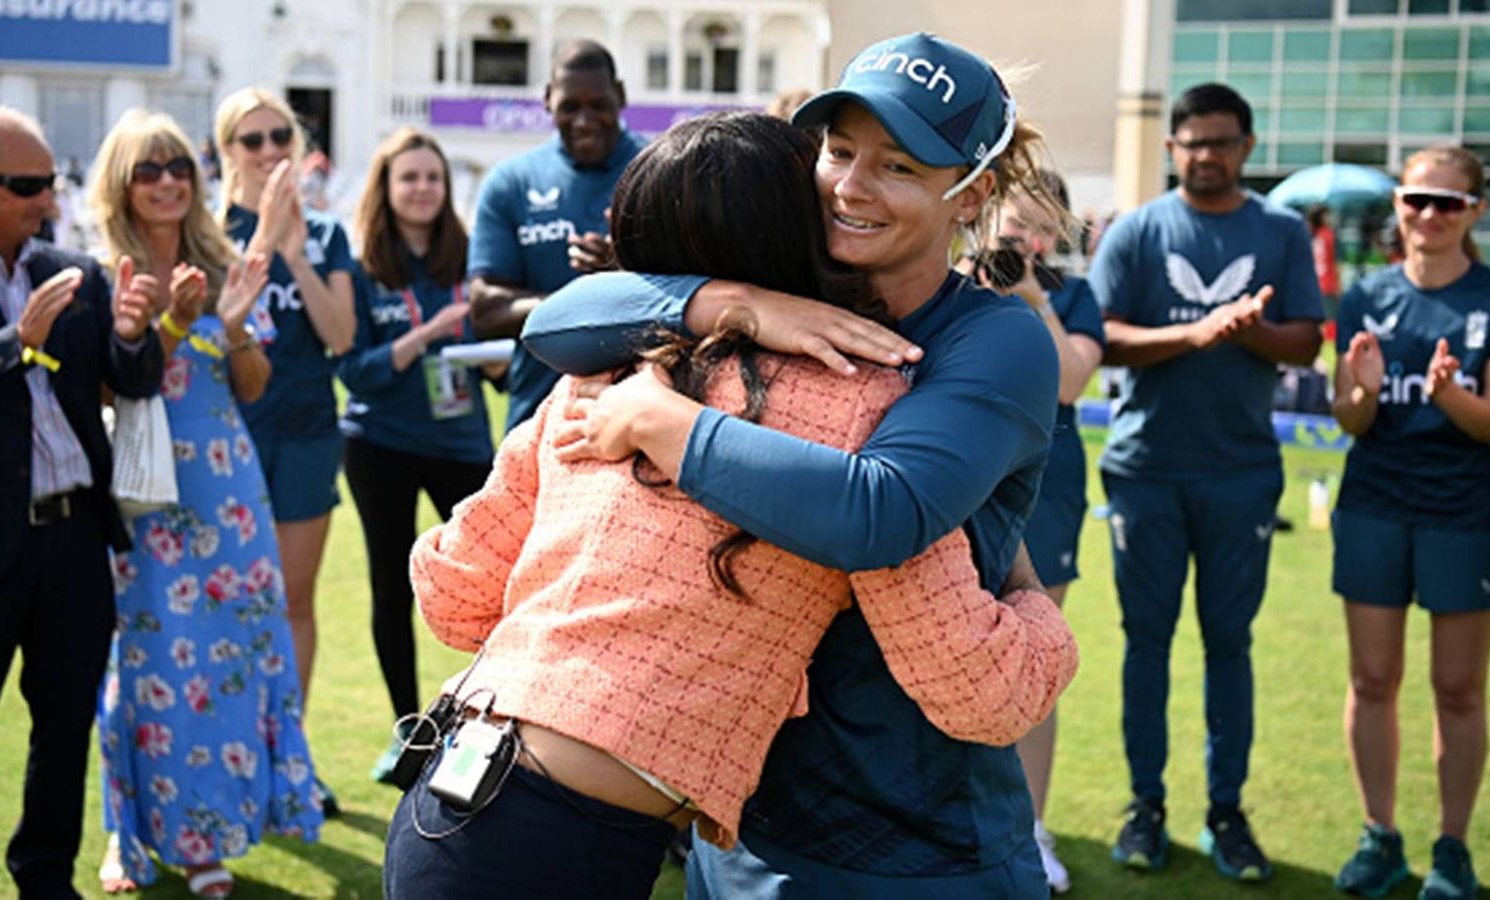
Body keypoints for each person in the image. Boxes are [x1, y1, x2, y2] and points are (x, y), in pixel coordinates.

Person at [388, 109, 1076, 900]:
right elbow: (979, 688)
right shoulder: (859, 410)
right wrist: (1028, 596)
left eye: (895, 166)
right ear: (801, 228)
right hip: (573, 842)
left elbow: (449, 592)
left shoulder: (596, 381)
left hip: (454, 788)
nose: (850, 187)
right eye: (839, 158)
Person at [1087, 82, 1323, 882]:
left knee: (1230, 644)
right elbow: (1103, 339)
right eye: (1195, 142)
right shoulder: (1138, 231)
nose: (1208, 155)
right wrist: (1195, 331)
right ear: (1172, 147)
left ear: (1248, 146)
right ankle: (1144, 808)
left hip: (1241, 475)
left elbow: (1305, 344)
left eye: (1223, 141)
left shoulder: (1281, 232)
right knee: (1145, 645)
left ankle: (1227, 812)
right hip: (1146, 472)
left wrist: (1248, 331)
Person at [86, 108, 324, 898]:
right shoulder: (101, 271)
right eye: (147, 170)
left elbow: (250, 385)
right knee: (147, 662)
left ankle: (206, 839)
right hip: (143, 494)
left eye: (178, 167)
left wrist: (231, 329)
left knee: (229, 664)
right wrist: (174, 325)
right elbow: (101, 387)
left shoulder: (223, 261)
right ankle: (128, 835)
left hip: (227, 490)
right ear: (121, 184)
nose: (166, 182)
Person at [0, 106, 163, 898]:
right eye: (27, 184)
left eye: (50, 181)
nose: (46, 198)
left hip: (72, 540)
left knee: (64, 729)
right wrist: (11, 345)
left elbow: (129, 383)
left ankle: (46, 879)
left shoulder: (73, 271)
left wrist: (133, 335)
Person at [1328, 146, 1490, 900]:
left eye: (1449, 203)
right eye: (1417, 199)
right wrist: (1367, 392)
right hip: (1375, 505)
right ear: (1399, 206)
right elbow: (1348, 417)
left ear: (1476, 211)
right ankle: (1380, 836)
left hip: (1466, 514)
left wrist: (1446, 395)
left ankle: (1453, 849)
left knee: (1458, 689)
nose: (1430, 215)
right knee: (1372, 678)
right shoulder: (1365, 294)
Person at [337, 127, 496, 784]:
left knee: (493, 587)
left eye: (433, 177)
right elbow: (356, 371)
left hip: (462, 445)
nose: (423, 188)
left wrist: (490, 358)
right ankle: (410, 730)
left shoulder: (471, 262)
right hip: (381, 445)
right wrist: (425, 336)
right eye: (409, 177)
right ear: (386, 187)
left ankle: (493, 720)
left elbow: (501, 364)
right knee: (390, 587)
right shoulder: (360, 266)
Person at [216, 87, 356, 810]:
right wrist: (264, 236)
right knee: (230, 604)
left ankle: (287, 756)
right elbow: (209, 331)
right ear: (226, 153)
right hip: (227, 439)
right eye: (253, 141)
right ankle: (226, 752)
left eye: (281, 138)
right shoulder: (207, 232)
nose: (271, 153)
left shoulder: (328, 235)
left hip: (304, 433)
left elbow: (340, 336)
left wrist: (296, 253)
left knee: (292, 600)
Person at [971, 169, 1103, 894]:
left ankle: (1032, 826)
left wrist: (1031, 294)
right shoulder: (955, 281)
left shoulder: (1072, 295)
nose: (1023, 241)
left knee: (1034, 659)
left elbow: (1072, 381)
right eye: (1011, 226)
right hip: (969, 474)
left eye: (1038, 229)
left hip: (1048, 483)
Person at [467, 39, 647, 431]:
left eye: (598, 104)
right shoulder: (510, 182)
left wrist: (625, 265)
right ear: (548, 100)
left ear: (620, 96)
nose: (584, 120)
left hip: (641, 414)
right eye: (570, 106)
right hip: (537, 417)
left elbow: (695, 288)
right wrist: (583, 305)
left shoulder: (658, 172)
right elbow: (485, 310)